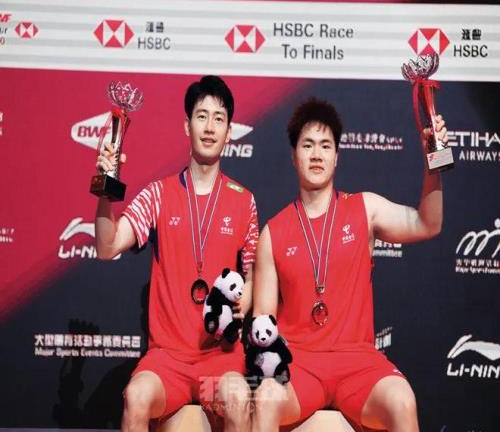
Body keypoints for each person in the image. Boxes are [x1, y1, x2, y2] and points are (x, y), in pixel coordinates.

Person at [248, 98, 447, 431]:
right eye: (307, 145)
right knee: (266, 398)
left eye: (325, 146)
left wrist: (434, 158)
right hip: (300, 365)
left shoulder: (365, 209)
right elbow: (263, 322)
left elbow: (429, 223)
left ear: (337, 156)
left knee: (402, 401)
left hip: (358, 363)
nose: (316, 154)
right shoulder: (272, 233)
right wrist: (264, 376)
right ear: (294, 155)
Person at [94, 75, 259, 432]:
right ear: (187, 126)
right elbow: (107, 247)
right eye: (202, 116)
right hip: (167, 361)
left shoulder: (244, 201)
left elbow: (254, 276)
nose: (210, 127)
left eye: (219, 118)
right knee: (136, 397)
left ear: (229, 131)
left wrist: (245, 299)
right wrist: (105, 189)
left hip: (220, 361)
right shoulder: (158, 194)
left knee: (238, 397)